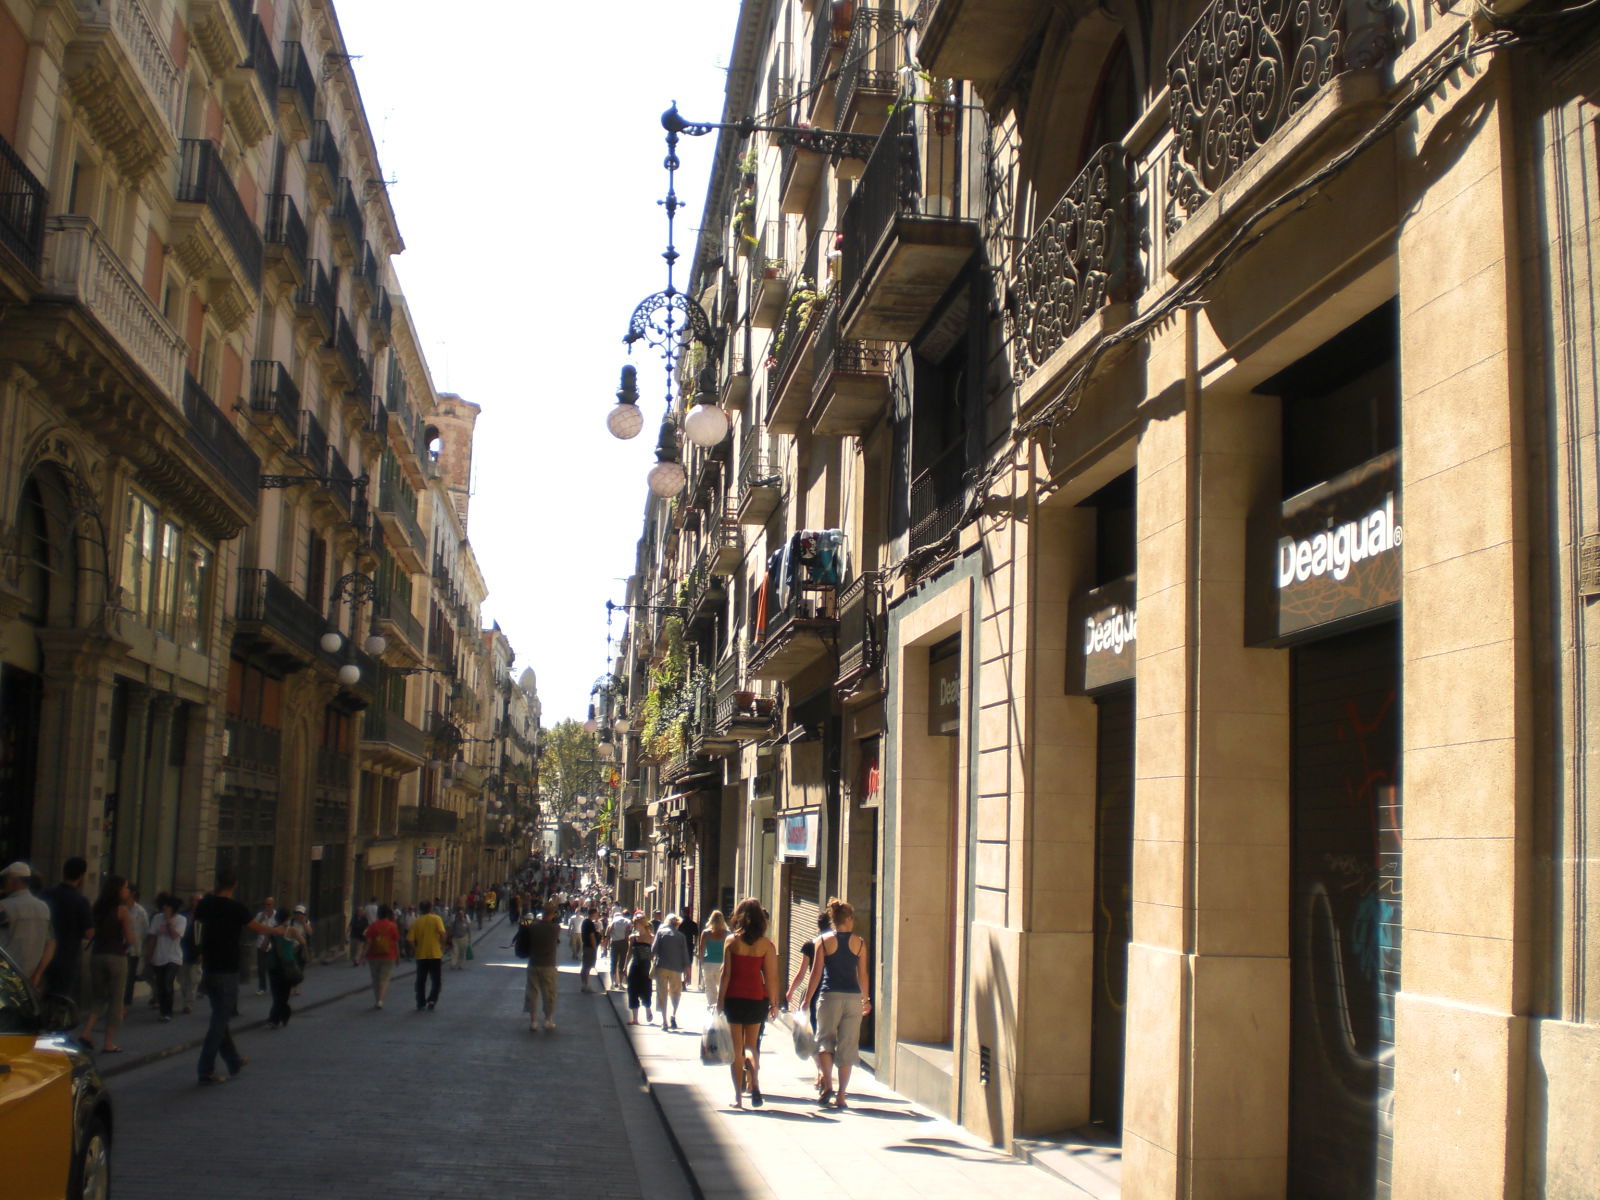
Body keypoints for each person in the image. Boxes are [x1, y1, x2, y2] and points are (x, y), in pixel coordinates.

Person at [192, 866, 278, 1084]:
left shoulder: (205, 904)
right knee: (220, 1020)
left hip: (209, 968)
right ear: (234, 885)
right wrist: (277, 930)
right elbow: (256, 927)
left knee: (220, 1017)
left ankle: (233, 1061)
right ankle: (205, 1069)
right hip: (228, 968)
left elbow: (196, 925)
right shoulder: (236, 908)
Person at [804, 898, 872, 1109]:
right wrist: (866, 999)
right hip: (852, 998)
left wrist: (806, 999)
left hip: (829, 996)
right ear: (849, 919)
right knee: (848, 1046)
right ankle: (842, 1095)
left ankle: (827, 1083)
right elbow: (863, 975)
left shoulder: (823, 942)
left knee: (824, 1040)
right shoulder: (859, 943)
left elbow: (815, 974)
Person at [716, 897, 779, 1109]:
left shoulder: (731, 942)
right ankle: (755, 1083)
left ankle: (738, 1097)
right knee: (751, 1045)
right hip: (756, 998)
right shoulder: (767, 945)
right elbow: (771, 977)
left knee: (736, 1049)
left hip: (734, 998)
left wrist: (719, 1001)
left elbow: (725, 975)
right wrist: (774, 1002)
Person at [80, 874, 133, 1053]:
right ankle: (109, 1042)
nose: (127, 891)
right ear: (118, 890)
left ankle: (86, 1031)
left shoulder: (98, 908)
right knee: (116, 1000)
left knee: (98, 997)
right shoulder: (122, 910)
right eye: (125, 887)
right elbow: (130, 937)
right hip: (116, 956)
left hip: (97, 955)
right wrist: (126, 944)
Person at [42, 857, 92, 1003]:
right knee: (61, 996)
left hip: (45, 952)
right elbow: (89, 933)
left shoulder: (47, 894)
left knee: (44, 993)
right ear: (82, 875)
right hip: (68, 955)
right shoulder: (81, 901)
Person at [0, 861, 54, 989]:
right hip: (30, 979)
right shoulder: (44, 908)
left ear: (12, 881)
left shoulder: (4, 907)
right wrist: (38, 974)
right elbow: (50, 943)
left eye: (6, 880)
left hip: (6, 978)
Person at [519, 904, 561, 1031]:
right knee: (549, 993)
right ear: (553, 914)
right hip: (548, 964)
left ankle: (533, 1021)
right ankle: (548, 1020)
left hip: (533, 963)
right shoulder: (555, 928)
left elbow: (527, 925)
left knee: (532, 992)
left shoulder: (533, 927)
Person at [265, 906, 307, 1029]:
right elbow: (303, 942)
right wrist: (291, 947)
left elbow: (264, 946)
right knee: (284, 994)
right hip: (287, 964)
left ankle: (277, 1018)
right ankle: (279, 1016)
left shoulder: (272, 930)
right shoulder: (292, 930)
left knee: (276, 993)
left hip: (273, 964)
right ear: (288, 918)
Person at [147, 893, 186, 1022]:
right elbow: (152, 936)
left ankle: (168, 1011)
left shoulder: (181, 920)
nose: (164, 908)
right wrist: (149, 954)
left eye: (167, 906)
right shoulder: (157, 918)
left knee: (167, 983)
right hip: (159, 956)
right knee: (160, 985)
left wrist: (169, 922)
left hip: (173, 957)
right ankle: (163, 1010)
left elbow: (176, 936)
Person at [650, 913, 691, 1030]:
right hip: (677, 969)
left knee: (662, 993)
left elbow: (653, 950)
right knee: (675, 993)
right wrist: (688, 973)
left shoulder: (660, 933)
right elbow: (685, 956)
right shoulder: (681, 936)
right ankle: (673, 1015)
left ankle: (664, 1021)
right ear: (677, 923)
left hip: (661, 967)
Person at [408, 899, 447, 1010]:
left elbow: (410, 940)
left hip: (421, 955)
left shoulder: (417, 922)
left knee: (421, 980)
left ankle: (420, 1002)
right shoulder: (436, 919)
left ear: (420, 909)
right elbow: (443, 934)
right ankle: (432, 1000)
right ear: (431, 908)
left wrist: (415, 949)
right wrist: (442, 947)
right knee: (436, 980)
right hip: (435, 954)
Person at [364, 904, 401, 1008]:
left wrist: (363, 956)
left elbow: (368, 942)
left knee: (375, 979)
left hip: (373, 955)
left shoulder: (373, 926)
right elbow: (396, 942)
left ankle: (377, 999)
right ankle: (380, 1000)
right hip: (389, 956)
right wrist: (398, 956)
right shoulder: (392, 926)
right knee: (384, 979)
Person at [122, 884, 149, 1008]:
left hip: (133, 949)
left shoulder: (140, 911)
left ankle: (125, 1004)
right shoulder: (119, 908)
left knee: (129, 979)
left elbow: (144, 932)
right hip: (118, 948)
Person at [625, 912, 654, 1026]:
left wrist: (654, 966)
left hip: (646, 966)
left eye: (636, 923)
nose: (634, 924)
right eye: (634, 923)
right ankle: (635, 1019)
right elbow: (629, 953)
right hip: (635, 965)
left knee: (646, 989)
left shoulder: (652, 938)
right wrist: (624, 966)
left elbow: (653, 954)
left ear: (642, 923)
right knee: (632, 990)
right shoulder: (633, 938)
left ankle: (647, 1008)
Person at [697, 910, 727, 1012]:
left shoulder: (706, 933)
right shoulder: (727, 934)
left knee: (710, 989)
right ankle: (720, 1008)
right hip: (722, 964)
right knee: (722, 988)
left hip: (708, 963)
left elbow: (701, 950)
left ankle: (711, 1007)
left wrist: (702, 964)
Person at [178, 893, 203, 1014]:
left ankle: (188, 1003)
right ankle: (185, 999)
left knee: (194, 979)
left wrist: (202, 952)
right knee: (182, 979)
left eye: (198, 901)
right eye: (194, 900)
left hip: (196, 951)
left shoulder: (205, 917)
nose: (196, 903)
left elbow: (206, 937)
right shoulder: (183, 915)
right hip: (182, 950)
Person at [252, 895, 277, 995]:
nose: (267, 906)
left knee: (272, 967)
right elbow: (254, 927)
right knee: (261, 967)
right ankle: (262, 987)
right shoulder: (260, 915)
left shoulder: (277, 915)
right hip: (261, 944)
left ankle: (273, 986)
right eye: (266, 904)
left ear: (273, 905)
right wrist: (261, 919)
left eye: (269, 904)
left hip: (272, 945)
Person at [607, 906, 631, 991]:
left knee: (613, 963)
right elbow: (628, 931)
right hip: (624, 943)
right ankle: (621, 983)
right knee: (622, 963)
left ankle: (612, 983)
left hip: (614, 943)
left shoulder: (613, 921)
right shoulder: (627, 921)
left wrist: (608, 944)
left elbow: (609, 931)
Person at [579, 905, 600, 993]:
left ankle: (584, 984)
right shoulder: (589, 923)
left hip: (586, 946)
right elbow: (591, 936)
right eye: (597, 914)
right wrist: (594, 947)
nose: (598, 915)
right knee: (587, 966)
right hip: (590, 947)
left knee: (585, 966)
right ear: (593, 914)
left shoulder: (585, 922)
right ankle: (586, 985)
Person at [678, 908, 700, 990]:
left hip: (680, 946)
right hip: (689, 946)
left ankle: (682, 982)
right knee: (688, 964)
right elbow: (696, 935)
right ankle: (685, 982)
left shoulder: (679, 924)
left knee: (681, 965)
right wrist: (695, 945)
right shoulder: (693, 924)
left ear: (682, 912)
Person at [448, 905, 472, 970]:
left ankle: (459, 965)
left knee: (462, 953)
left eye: (462, 914)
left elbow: (469, 930)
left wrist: (469, 940)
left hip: (463, 938)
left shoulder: (466, 921)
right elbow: (452, 929)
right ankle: (453, 964)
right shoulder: (455, 921)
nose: (461, 915)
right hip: (455, 938)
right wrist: (450, 937)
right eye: (459, 914)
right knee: (455, 952)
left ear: (463, 914)